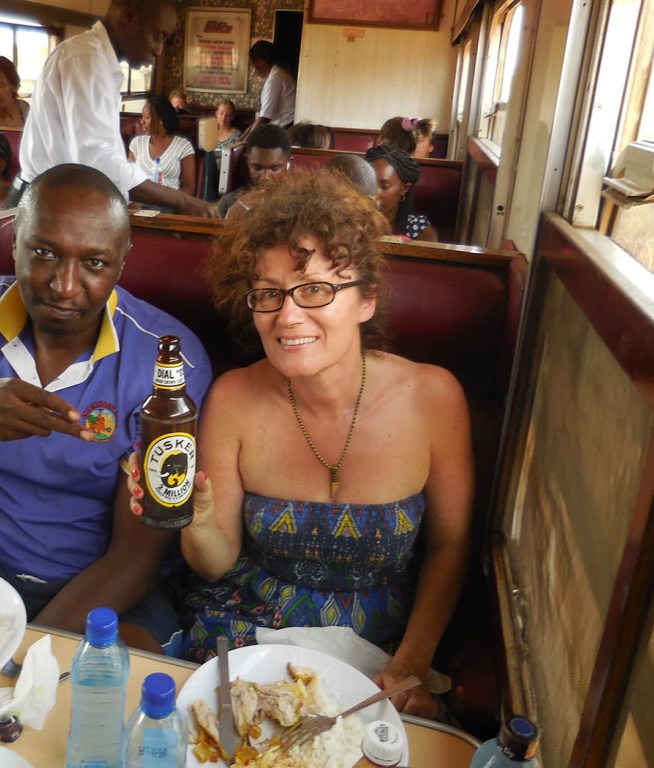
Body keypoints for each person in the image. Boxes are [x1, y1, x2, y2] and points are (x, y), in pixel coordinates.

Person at [128, 170, 473, 716]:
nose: (287, 315)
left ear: (365, 301)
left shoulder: (433, 398)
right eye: (268, 294)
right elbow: (216, 565)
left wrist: (412, 660)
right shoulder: (234, 397)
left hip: (376, 652)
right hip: (243, 634)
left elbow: (450, 545)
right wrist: (196, 518)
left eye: (314, 289)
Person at [0, 164, 212, 653]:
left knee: (94, 702)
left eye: (95, 263)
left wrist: (17, 654)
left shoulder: (167, 362)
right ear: (15, 239)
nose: (65, 286)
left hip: (106, 584)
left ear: (123, 261)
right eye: (44, 252)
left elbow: (136, 558)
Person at [12, 0, 217, 218]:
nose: (159, 50)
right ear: (129, 16)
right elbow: (97, 163)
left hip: (61, 197)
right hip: (46, 204)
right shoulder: (86, 60)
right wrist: (182, 200)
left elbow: (102, 157)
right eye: (158, 37)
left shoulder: (99, 62)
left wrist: (124, 196)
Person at [365, 144, 438, 242]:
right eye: (369, 184)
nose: (374, 194)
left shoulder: (422, 232)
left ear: (404, 188)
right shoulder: (352, 224)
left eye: (384, 187)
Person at [217, 123, 291, 219]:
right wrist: (234, 213)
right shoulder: (229, 202)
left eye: (274, 169)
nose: (265, 177)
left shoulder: (299, 205)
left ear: (288, 164)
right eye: (257, 168)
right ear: (248, 162)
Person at [127, 95, 195, 198]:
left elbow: (189, 189)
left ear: (160, 119)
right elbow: (129, 180)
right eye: (142, 117)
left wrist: (167, 200)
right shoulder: (136, 143)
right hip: (139, 203)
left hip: (169, 205)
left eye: (147, 117)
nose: (141, 121)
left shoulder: (183, 146)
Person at [242, 40, 296, 141]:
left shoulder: (274, 80)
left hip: (285, 130)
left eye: (253, 63)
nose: (253, 68)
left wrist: (246, 142)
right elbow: (263, 117)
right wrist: (245, 134)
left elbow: (264, 118)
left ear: (261, 62)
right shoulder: (279, 74)